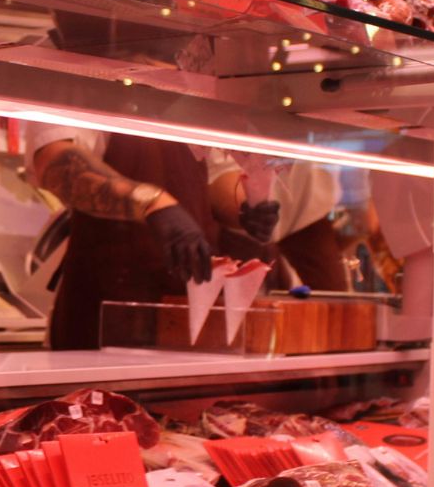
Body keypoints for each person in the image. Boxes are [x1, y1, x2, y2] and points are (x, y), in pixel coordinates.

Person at [24, 122, 281, 350]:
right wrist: (151, 203)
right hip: (105, 314)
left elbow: (215, 176)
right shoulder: (84, 74)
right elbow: (55, 162)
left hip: (187, 312)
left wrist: (242, 207)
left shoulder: (194, 86)